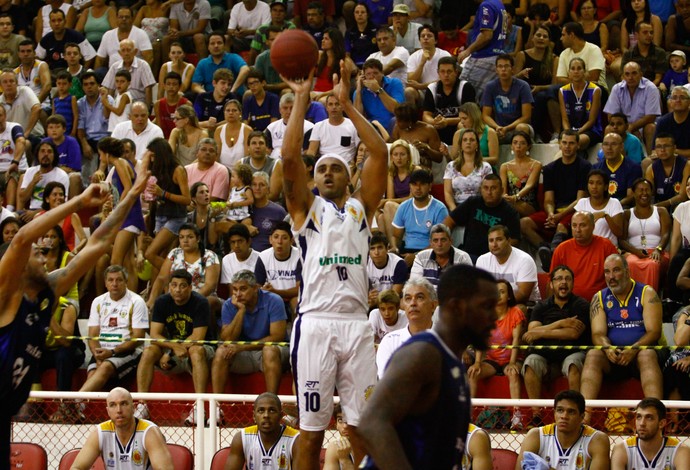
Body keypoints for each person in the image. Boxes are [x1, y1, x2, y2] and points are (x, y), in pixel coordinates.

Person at [0, 161, 148, 466]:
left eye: (44, 253)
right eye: (35, 255)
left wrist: (131, 195)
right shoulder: (4, 297)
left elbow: (99, 242)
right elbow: (21, 239)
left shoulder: (46, 293)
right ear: (16, 269)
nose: (42, 256)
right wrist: (79, 202)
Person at [280, 57, 389, 469]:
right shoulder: (306, 211)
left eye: (334, 168)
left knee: (363, 428)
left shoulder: (363, 209)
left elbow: (378, 152)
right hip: (317, 323)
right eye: (321, 169)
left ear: (348, 177)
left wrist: (347, 105)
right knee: (312, 430)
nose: (326, 173)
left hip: (357, 324)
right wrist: (302, 98)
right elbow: (290, 160)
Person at [359, 265, 498, 469]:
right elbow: (371, 422)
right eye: (487, 307)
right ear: (458, 307)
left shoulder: (455, 365)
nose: (495, 318)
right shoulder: (423, 353)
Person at [581, 254, 664, 409]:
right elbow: (597, 334)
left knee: (647, 354)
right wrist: (607, 348)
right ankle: (584, 417)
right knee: (593, 354)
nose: (611, 277)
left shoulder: (647, 293)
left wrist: (634, 349)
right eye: (607, 272)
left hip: (641, 354)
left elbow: (654, 332)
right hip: (615, 356)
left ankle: (655, 414)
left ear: (627, 272)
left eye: (616, 270)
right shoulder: (599, 297)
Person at [135, 269, 215, 425]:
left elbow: (197, 338)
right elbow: (155, 335)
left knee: (196, 350)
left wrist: (170, 351)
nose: (178, 290)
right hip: (173, 350)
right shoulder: (162, 302)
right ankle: (142, 404)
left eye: (183, 286)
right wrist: (171, 349)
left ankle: (199, 406)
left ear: (191, 287)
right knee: (148, 351)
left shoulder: (200, 302)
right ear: (169, 286)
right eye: (174, 285)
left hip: (202, 350)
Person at [521, 265, 590, 424]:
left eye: (567, 279)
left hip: (572, 352)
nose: (563, 283)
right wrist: (562, 323)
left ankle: (575, 413)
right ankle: (536, 416)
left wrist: (541, 331)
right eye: (558, 279)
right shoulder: (541, 306)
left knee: (573, 363)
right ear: (551, 284)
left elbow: (573, 333)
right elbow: (530, 332)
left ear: (573, 283)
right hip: (544, 354)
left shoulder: (581, 305)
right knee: (530, 362)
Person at [211, 270, 289, 395]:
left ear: (255, 288)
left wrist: (242, 347)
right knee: (221, 352)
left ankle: (271, 402)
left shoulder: (274, 300)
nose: (237, 294)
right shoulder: (229, 304)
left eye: (243, 289)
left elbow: (277, 337)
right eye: (235, 289)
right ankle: (217, 406)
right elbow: (227, 339)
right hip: (244, 354)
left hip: (272, 353)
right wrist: (241, 311)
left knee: (269, 350)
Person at [522, 131, 591, 269]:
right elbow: (548, 199)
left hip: (574, 211)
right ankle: (547, 250)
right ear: (559, 144)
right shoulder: (550, 169)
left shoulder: (585, 167)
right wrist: (551, 214)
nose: (567, 146)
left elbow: (580, 199)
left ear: (578, 145)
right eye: (564, 143)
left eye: (571, 143)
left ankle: (553, 258)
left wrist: (559, 216)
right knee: (524, 223)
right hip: (555, 211)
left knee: (561, 226)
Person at [77, 265, 148, 394]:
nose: (114, 284)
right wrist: (97, 354)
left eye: (119, 280)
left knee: (105, 367)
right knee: (93, 372)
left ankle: (74, 402)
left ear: (126, 282)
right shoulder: (98, 301)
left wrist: (112, 352)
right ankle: (78, 409)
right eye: (110, 280)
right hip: (102, 351)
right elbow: (92, 335)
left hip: (129, 352)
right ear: (105, 283)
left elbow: (138, 337)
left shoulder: (137, 301)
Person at [467, 279, 525, 430]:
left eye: (502, 292)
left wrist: (512, 362)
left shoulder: (516, 312)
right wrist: (478, 362)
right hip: (492, 360)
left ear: (509, 296)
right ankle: (469, 416)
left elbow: (517, 339)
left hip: (511, 358)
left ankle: (517, 416)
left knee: (513, 373)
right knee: (473, 372)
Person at [69, 387, 173, 470]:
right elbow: (77, 467)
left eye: (123, 404)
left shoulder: (149, 432)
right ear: (108, 411)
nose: (119, 410)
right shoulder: (100, 432)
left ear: (133, 407)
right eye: (113, 405)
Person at [516, 390, 611, 469]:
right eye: (560, 410)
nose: (564, 416)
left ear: (582, 416)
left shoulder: (596, 440)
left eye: (571, 412)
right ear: (554, 413)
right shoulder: (536, 436)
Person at [444, 174, 522, 263]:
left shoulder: (510, 212)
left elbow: (514, 240)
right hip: (469, 256)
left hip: (494, 259)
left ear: (502, 190)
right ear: (481, 189)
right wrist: (445, 242)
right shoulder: (472, 202)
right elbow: (449, 221)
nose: (489, 192)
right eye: (485, 188)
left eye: (493, 188)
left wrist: (496, 256)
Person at [141, 137, 191, 271]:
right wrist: (149, 197)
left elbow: (187, 199)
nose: (151, 160)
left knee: (150, 254)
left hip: (175, 217)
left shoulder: (178, 170)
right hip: (160, 215)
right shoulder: (156, 171)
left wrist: (163, 193)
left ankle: (179, 275)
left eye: (153, 156)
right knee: (159, 256)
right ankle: (157, 290)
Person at [549, 211, 619, 301]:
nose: (577, 230)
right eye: (574, 226)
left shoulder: (606, 246)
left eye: (582, 225)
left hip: (601, 303)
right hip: (570, 305)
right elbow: (551, 281)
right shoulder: (561, 249)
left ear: (593, 227)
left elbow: (618, 277)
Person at [375, 277, 436, 379]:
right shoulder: (389, 341)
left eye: (420, 297)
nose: (413, 303)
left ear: (433, 305)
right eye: (408, 298)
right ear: (403, 305)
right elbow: (387, 383)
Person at [620, 178, 671, 292]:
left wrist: (658, 249)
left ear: (652, 192)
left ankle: (650, 300)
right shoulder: (627, 214)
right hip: (634, 252)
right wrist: (635, 252)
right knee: (630, 263)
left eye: (647, 190)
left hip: (657, 252)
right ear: (633, 193)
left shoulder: (661, 211)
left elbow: (666, 234)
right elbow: (621, 240)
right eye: (640, 190)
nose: (644, 193)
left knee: (653, 264)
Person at [225, 392, 300, 470]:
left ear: (280, 416)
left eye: (272, 410)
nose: (266, 415)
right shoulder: (242, 438)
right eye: (261, 410)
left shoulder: (295, 440)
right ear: (254, 416)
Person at [390, 168, 449, 265]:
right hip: (407, 251)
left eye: (422, 184)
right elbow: (396, 236)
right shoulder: (403, 207)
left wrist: (416, 256)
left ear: (430, 186)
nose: (418, 188)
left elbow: (440, 242)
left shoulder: (439, 209)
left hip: (432, 253)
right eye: (414, 184)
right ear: (410, 186)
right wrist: (395, 248)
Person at [611, 398, 690, 469]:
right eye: (639, 417)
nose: (642, 423)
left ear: (661, 423)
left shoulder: (680, 451)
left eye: (649, 418)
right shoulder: (622, 449)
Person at [604, 61, 661, 154]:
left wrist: (632, 127)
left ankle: (651, 160)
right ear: (623, 76)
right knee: (609, 128)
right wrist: (625, 128)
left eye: (634, 73)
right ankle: (609, 160)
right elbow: (611, 115)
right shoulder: (617, 88)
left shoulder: (651, 88)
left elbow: (651, 116)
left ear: (641, 74)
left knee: (650, 127)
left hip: (643, 126)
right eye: (627, 74)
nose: (630, 77)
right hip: (623, 126)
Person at [476, 225, 540, 303]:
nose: (494, 244)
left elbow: (523, 295)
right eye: (491, 240)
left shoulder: (525, 260)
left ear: (509, 241)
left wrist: (499, 305)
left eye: (499, 239)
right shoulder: (482, 260)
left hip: (523, 304)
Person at [456, 0, 507, 98]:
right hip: (496, 56)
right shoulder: (499, 4)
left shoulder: (486, 5)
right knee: (484, 99)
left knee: (463, 95)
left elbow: (487, 35)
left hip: (484, 57)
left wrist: (468, 51)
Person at [481, 54, 534, 144]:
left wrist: (507, 128)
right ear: (496, 70)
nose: (503, 69)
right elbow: (485, 115)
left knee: (521, 128)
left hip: (517, 127)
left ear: (512, 69)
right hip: (498, 129)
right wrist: (497, 127)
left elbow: (526, 116)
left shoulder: (523, 86)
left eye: (506, 66)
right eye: (500, 66)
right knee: (486, 130)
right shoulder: (490, 87)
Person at [559, 57, 603, 150]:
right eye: (573, 68)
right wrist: (567, 133)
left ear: (585, 71)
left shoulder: (595, 90)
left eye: (579, 68)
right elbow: (565, 119)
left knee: (573, 143)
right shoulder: (562, 91)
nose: (576, 71)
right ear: (568, 72)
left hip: (590, 130)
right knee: (565, 143)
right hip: (571, 131)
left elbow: (591, 120)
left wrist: (576, 133)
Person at [444, 128, 493, 211]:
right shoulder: (451, 166)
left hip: (479, 208)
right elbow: (448, 192)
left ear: (477, 145)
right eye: (465, 140)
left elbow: (488, 191)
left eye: (472, 140)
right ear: (460, 145)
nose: (468, 142)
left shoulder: (486, 167)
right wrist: (454, 210)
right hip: (457, 207)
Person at [17, 141, 70, 218]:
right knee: (13, 217)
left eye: (49, 152)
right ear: (37, 154)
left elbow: (61, 203)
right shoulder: (30, 171)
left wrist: (36, 213)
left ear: (54, 155)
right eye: (42, 151)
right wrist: (33, 183)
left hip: (52, 212)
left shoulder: (62, 175)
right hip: (31, 210)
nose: (45, 154)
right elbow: (22, 199)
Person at [410, 223, 471, 288]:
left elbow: (468, 287)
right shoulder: (421, 257)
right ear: (431, 243)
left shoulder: (462, 258)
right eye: (435, 240)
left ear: (451, 241)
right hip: (428, 297)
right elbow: (414, 285)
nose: (439, 244)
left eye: (443, 240)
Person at [354, 58, 404, 134]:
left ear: (382, 73)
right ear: (364, 76)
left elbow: (396, 110)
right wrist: (358, 90)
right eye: (368, 74)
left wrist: (379, 90)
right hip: (374, 128)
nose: (371, 77)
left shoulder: (395, 83)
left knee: (394, 121)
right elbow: (358, 116)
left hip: (394, 125)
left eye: (375, 73)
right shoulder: (360, 91)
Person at [574, 169, 624, 246]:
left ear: (605, 187)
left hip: (608, 249)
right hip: (587, 248)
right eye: (591, 183)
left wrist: (606, 215)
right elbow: (576, 231)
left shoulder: (614, 203)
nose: (594, 187)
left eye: (599, 183)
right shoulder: (582, 203)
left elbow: (619, 233)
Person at [191, 31, 250, 96]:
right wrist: (206, 94)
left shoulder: (233, 58)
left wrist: (232, 90)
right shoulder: (202, 63)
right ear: (208, 47)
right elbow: (195, 85)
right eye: (212, 43)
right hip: (211, 99)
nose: (216, 46)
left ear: (224, 45)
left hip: (233, 97)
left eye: (219, 43)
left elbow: (245, 70)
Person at [102, 39, 156, 108]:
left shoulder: (143, 65)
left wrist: (147, 109)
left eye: (129, 50)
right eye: (123, 50)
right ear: (119, 53)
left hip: (138, 105)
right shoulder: (115, 67)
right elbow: (110, 89)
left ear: (135, 51)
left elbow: (148, 89)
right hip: (118, 104)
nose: (126, 53)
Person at [593, 132, 642, 207]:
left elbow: (631, 196)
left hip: (623, 208)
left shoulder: (633, 167)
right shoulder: (595, 168)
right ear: (602, 147)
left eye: (613, 144)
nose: (609, 148)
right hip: (600, 206)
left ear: (622, 146)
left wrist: (613, 207)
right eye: (606, 144)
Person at [307, 95, 359, 162]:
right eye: (330, 104)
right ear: (326, 107)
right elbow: (311, 152)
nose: (334, 107)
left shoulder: (353, 126)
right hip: (324, 164)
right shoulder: (318, 126)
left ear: (343, 107)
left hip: (346, 165)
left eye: (337, 104)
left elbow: (359, 149)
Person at [647, 134, 690, 210]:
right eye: (659, 146)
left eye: (666, 146)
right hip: (660, 208)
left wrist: (656, 206)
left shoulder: (686, 165)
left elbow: (683, 196)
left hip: (682, 206)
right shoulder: (651, 169)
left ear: (674, 148)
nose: (662, 150)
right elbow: (649, 195)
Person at [367, 231, 407, 307]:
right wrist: (368, 297)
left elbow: (395, 296)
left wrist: (377, 300)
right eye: (372, 249)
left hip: (392, 304)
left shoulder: (399, 264)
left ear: (387, 248)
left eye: (380, 247)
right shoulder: (364, 263)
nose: (376, 252)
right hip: (371, 302)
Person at [249, 171, 287, 252]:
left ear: (268, 190)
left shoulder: (279, 211)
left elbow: (288, 236)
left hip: (270, 257)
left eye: (262, 185)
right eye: (254, 184)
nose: (257, 188)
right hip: (245, 258)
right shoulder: (243, 209)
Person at [184, 138, 229, 202]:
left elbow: (215, 198)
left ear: (216, 155)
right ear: (197, 153)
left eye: (211, 151)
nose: (207, 153)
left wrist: (194, 203)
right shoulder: (186, 169)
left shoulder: (221, 170)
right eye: (203, 149)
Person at [214, 99, 251, 170]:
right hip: (222, 171)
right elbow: (216, 156)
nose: (231, 113)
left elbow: (248, 157)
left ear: (240, 113)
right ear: (224, 113)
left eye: (234, 110)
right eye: (228, 110)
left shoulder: (247, 130)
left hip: (241, 171)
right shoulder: (219, 130)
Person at [323, 404, 355, 470]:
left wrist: (345, 459)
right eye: (340, 420)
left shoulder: (373, 446)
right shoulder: (334, 447)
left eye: (350, 420)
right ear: (336, 425)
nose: (345, 426)